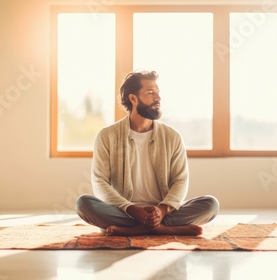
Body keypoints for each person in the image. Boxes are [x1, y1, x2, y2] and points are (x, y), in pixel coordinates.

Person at [75, 70, 219, 236]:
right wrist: (134, 210)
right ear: (133, 99)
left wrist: (162, 211)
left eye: (157, 93)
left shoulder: (172, 137)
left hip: (165, 213)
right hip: (125, 212)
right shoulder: (107, 136)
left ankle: (136, 230)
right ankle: (165, 230)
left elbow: (180, 180)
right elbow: (100, 182)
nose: (158, 98)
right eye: (150, 93)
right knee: (84, 204)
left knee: (210, 204)